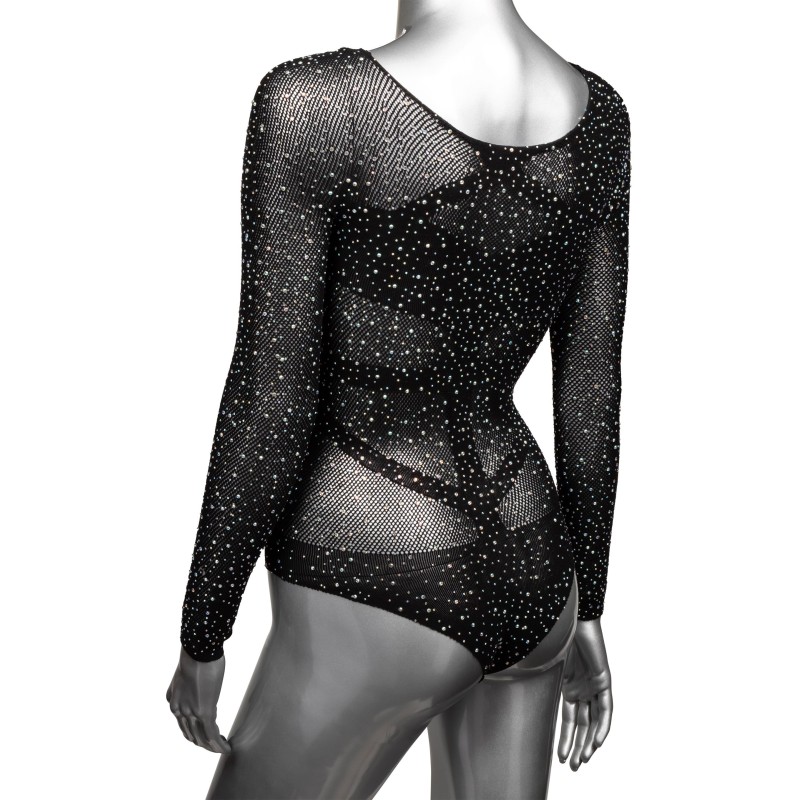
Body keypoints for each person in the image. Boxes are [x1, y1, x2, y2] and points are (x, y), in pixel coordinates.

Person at [166, 2, 631, 797]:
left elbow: (274, 398)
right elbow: (591, 392)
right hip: (537, 572)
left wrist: (203, 631)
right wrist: (588, 606)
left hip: (371, 570)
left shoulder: (319, 104)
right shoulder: (602, 117)